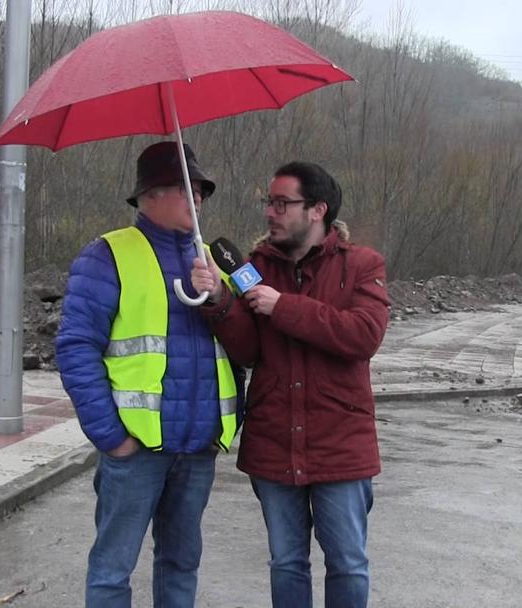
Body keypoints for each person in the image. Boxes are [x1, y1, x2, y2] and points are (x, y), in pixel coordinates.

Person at [192, 161, 390, 607]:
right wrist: (220, 301)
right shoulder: (256, 266)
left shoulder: (361, 264)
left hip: (341, 446)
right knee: (285, 562)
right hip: (274, 443)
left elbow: (363, 336)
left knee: (348, 562)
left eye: (282, 203)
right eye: (269, 202)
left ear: (317, 210)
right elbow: (249, 352)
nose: (270, 212)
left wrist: (283, 307)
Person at [56, 141, 240, 608]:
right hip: (136, 449)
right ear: (149, 195)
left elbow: (247, 343)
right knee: (112, 571)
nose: (197, 199)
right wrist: (111, 437)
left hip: (198, 447)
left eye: (201, 190)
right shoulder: (106, 256)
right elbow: (76, 349)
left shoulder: (216, 260)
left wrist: (221, 295)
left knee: (181, 564)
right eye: (185, 188)